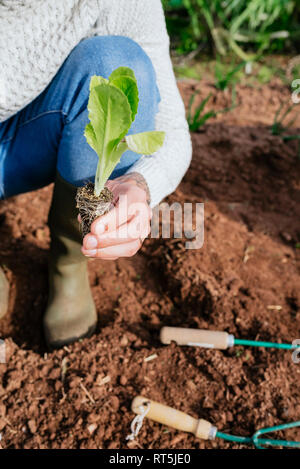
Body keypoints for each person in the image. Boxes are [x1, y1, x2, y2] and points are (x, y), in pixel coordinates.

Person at [0, 0, 192, 348]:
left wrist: (138, 184)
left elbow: (173, 134)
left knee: (118, 64)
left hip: (25, 141)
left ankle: (69, 261)